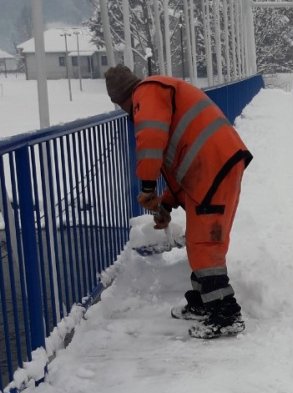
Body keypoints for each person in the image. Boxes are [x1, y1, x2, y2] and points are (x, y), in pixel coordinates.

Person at [104, 65, 252, 339]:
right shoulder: (158, 93)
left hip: (212, 166)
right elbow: (176, 160)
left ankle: (226, 313)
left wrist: (147, 187)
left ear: (120, 100)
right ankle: (203, 302)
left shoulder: (146, 93)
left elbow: (150, 140)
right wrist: (167, 203)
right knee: (199, 240)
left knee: (205, 243)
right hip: (210, 165)